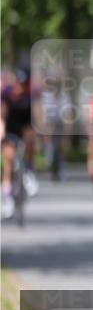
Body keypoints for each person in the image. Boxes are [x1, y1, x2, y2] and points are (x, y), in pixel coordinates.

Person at [2, 65, 41, 215]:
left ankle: (29, 170)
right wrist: (2, 132)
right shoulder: (7, 93)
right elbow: (2, 116)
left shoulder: (32, 94)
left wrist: (42, 130)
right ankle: (8, 197)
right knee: (9, 158)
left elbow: (38, 113)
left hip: (26, 124)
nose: (21, 87)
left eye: (25, 83)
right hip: (11, 125)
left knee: (30, 138)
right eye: (19, 82)